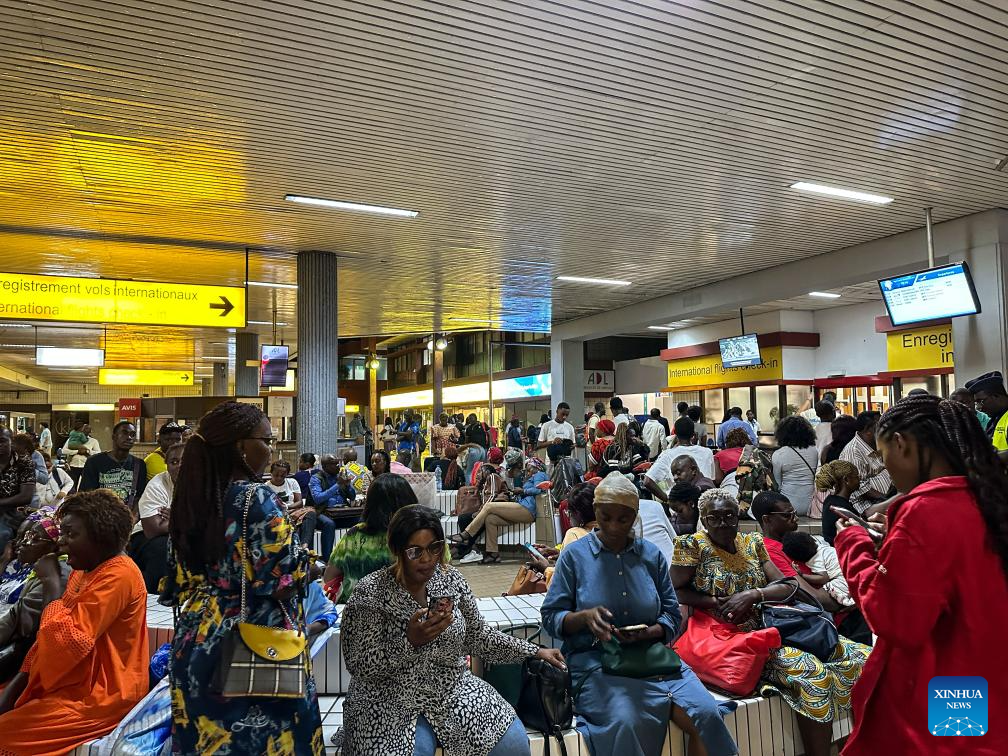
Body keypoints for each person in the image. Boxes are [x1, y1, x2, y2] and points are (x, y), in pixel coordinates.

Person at [833, 394, 1008, 755]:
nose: (887, 469)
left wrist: (852, 543)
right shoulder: (989, 499)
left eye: (884, 457)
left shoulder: (925, 511)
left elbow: (896, 619)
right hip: (983, 680)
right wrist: (896, 543)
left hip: (943, 687)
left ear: (902, 444)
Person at [339, 505, 565, 755]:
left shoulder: (450, 580)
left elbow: (478, 636)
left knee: (512, 744)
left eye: (434, 548)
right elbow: (357, 664)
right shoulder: (370, 594)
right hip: (386, 698)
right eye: (415, 551)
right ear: (397, 551)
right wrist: (409, 642)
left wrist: (533, 651)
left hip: (449, 688)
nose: (427, 559)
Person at [165, 400, 324, 754]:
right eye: (266, 440)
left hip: (198, 642)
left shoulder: (194, 498)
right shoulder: (257, 497)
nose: (272, 449)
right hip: (255, 643)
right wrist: (310, 565)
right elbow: (283, 581)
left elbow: (176, 578)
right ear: (240, 446)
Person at [542, 472, 738, 756]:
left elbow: (671, 614)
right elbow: (551, 616)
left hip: (654, 660)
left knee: (707, 715)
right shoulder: (575, 556)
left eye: (623, 519)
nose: (613, 527)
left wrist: (651, 632)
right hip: (597, 663)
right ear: (595, 512)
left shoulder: (651, 556)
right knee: (626, 722)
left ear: (634, 517)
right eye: (605, 517)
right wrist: (583, 618)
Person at [671, 488, 869, 756]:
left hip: (771, 625)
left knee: (863, 656)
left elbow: (787, 584)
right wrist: (715, 602)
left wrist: (754, 594)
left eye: (729, 516)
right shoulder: (692, 546)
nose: (723, 523)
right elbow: (675, 589)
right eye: (714, 517)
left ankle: (857, 745)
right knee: (812, 672)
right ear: (703, 519)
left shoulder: (752, 543)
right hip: (728, 636)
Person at [0, 490, 149, 755]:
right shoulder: (85, 570)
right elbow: (44, 646)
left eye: (71, 534)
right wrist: (14, 689)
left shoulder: (119, 575)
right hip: (69, 683)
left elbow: (65, 644)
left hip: (100, 696)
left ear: (100, 536)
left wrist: (50, 582)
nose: (62, 542)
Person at [0, 508, 71, 683]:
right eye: (22, 536)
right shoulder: (24, 565)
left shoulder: (57, 573)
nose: (23, 543)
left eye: (33, 538)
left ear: (55, 545)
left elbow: (20, 622)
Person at [324, 473, 418, 602]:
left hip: (356, 611)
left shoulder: (354, 535)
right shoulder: (419, 535)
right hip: (408, 612)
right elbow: (443, 571)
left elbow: (329, 577)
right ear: (409, 501)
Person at [452, 456, 548, 564]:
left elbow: (540, 489)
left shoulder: (540, 474)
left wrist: (523, 491)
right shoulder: (533, 476)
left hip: (527, 509)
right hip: (522, 508)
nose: (528, 472)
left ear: (537, 468)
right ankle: (493, 554)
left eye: (530, 469)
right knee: (490, 519)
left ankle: (466, 534)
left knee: (489, 506)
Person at [127, 441, 183, 592]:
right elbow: (152, 529)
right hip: (144, 537)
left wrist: (176, 517)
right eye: (174, 462)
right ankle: (153, 596)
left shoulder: (204, 483)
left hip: (179, 533)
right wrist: (186, 519)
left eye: (185, 461)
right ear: (167, 465)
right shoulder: (158, 484)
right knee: (164, 547)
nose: (179, 466)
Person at [79, 421, 148, 520]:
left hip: (128, 520)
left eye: (132, 435)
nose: (129, 437)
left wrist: (132, 519)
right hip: (99, 519)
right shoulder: (94, 462)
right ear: (114, 436)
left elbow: (140, 497)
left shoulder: (139, 465)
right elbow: (85, 496)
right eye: (124, 433)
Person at [644, 419, 715, 504]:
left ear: (675, 435)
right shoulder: (707, 452)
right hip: (705, 504)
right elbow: (712, 479)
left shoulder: (667, 454)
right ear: (693, 434)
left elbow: (647, 481)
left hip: (680, 507)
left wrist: (668, 500)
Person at [781, 531, 853, 608]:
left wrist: (802, 575)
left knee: (829, 591)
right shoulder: (823, 547)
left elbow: (823, 578)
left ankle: (846, 605)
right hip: (851, 572)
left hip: (843, 581)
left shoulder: (815, 559)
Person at [839, 411, 892, 514]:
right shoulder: (854, 451)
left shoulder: (874, 444)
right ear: (868, 430)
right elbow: (860, 486)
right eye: (880, 426)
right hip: (865, 506)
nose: (884, 429)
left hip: (880, 500)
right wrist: (886, 499)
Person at [771, 415, 820, 516]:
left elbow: (777, 485)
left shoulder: (779, 454)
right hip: (813, 506)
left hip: (788, 506)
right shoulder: (815, 451)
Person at [310, 454, 360, 550]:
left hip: (341, 512)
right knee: (329, 524)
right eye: (334, 464)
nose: (338, 466)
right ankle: (327, 559)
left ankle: (353, 554)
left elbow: (352, 496)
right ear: (324, 466)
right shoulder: (316, 478)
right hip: (323, 511)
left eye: (338, 463)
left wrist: (348, 485)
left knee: (360, 520)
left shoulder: (340, 477)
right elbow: (318, 498)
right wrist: (338, 485)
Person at [0, 428, 35, 555]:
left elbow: (26, 496)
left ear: (11, 442)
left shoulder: (23, 462)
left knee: (4, 534)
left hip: (12, 511)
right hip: (8, 508)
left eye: (2, 441)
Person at [814, 459, 859, 545]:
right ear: (846, 480)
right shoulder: (840, 508)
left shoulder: (831, 500)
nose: (859, 479)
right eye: (856, 476)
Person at [964, 370, 1008, 448]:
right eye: (976, 403)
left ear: (996, 396)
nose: (979, 408)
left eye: (980, 401)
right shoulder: (995, 419)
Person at [60, 421, 101, 488]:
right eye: (83, 428)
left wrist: (88, 452)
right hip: (73, 465)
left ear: (90, 431)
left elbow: (98, 453)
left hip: (86, 465)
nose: (84, 430)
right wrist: (77, 452)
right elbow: (64, 451)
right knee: (72, 485)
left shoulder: (93, 441)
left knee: (87, 486)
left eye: (87, 429)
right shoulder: (71, 439)